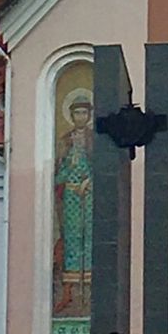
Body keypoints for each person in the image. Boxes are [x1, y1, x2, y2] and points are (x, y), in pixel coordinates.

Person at [54, 95, 94, 313]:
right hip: (70, 197)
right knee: (71, 238)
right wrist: (65, 176)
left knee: (89, 236)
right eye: (77, 113)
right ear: (71, 115)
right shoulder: (65, 140)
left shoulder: (94, 138)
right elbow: (58, 172)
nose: (81, 117)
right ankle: (69, 292)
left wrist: (89, 181)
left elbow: (99, 165)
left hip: (89, 195)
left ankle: (88, 291)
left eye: (84, 113)